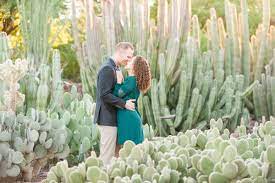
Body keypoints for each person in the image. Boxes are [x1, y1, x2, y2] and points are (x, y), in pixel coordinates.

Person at [94, 42, 136, 166]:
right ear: (119, 52)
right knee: (107, 158)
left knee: (116, 157)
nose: (129, 60)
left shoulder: (116, 68)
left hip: (114, 118)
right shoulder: (107, 68)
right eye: (128, 57)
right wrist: (124, 104)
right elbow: (104, 94)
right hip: (107, 119)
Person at [113, 56, 151, 146]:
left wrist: (118, 82)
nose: (128, 61)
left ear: (135, 66)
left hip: (128, 117)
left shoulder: (131, 80)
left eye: (131, 61)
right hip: (131, 115)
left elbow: (117, 94)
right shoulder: (133, 80)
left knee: (129, 148)